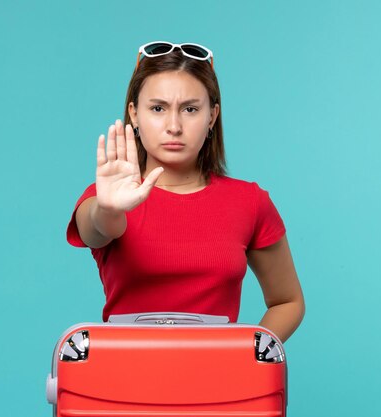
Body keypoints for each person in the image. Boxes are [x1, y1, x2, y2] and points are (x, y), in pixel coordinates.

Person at [67, 41, 305, 342]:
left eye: (190, 109)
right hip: (123, 381)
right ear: (135, 114)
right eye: (157, 108)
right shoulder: (107, 196)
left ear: (212, 116)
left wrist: (246, 356)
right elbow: (97, 229)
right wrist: (109, 208)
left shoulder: (250, 202)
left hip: (221, 384)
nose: (174, 126)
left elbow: (288, 301)